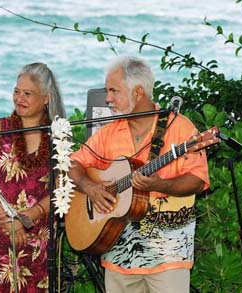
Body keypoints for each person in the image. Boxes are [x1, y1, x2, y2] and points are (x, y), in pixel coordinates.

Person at [68, 56, 209, 292]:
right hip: (117, 253)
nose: (108, 98)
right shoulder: (109, 133)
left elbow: (198, 180)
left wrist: (162, 185)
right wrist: (90, 187)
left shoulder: (180, 128)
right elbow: (72, 163)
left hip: (169, 255)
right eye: (107, 91)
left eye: (114, 90)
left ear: (138, 92)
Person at [0, 62, 66, 292]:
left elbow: (60, 189)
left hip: (37, 239)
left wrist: (26, 219)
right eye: (16, 91)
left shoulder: (58, 135)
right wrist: (9, 222)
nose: (19, 98)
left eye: (27, 93)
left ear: (45, 98)